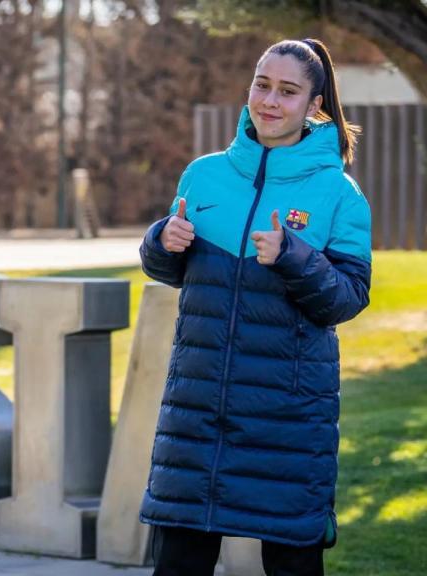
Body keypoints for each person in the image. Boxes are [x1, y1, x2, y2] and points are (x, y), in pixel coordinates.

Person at [137, 38, 372, 576]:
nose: (269, 100)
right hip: (198, 413)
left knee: (291, 562)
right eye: (262, 84)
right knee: (178, 562)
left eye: (287, 91)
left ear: (314, 106)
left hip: (286, 420)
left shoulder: (339, 194)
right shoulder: (204, 174)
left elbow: (346, 299)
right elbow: (173, 271)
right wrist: (160, 242)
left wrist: (293, 255)